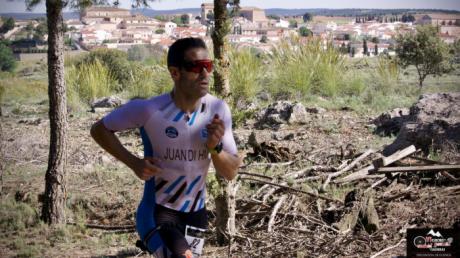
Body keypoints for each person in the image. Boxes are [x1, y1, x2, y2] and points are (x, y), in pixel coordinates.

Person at [90, 37, 241, 258]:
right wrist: (134, 163)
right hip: (159, 211)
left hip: (196, 214)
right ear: (175, 72)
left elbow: (231, 172)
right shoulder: (150, 110)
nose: (205, 74)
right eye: (195, 67)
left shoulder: (217, 110)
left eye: (207, 66)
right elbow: (99, 130)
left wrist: (214, 148)